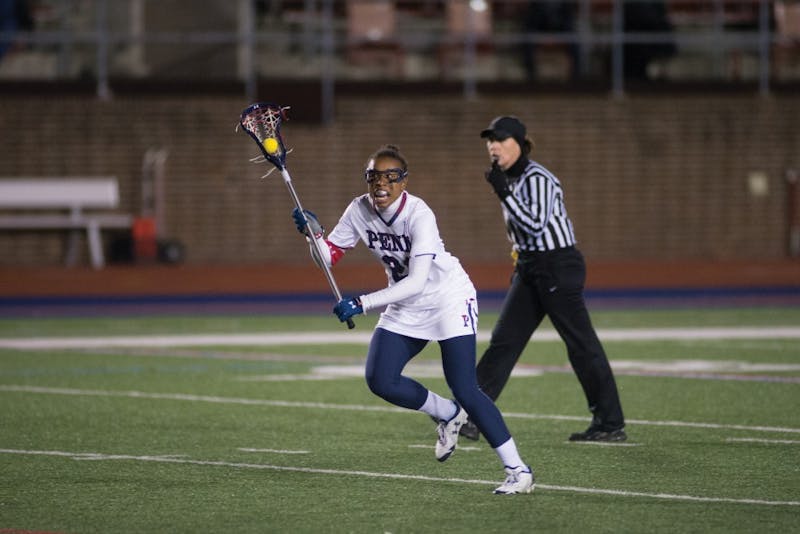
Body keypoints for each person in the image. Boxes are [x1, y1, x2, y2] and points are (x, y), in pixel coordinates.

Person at [291, 143, 534, 495]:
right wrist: (313, 236)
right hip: (406, 303)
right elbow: (328, 258)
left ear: (404, 182)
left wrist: (362, 303)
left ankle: (518, 470)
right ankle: (447, 413)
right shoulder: (359, 209)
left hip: (446, 297)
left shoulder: (419, 214)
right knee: (380, 378)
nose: (381, 184)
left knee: (465, 386)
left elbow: (419, 281)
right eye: (374, 177)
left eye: (391, 177)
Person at [458, 116, 626, 443]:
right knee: (505, 341)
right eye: (490, 140)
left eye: (501, 139)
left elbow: (536, 225)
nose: (493, 145)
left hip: (557, 265)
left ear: (519, 143)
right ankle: (470, 415)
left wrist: (503, 193)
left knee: (581, 344)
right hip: (531, 267)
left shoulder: (538, 178)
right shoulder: (509, 179)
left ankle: (610, 423)